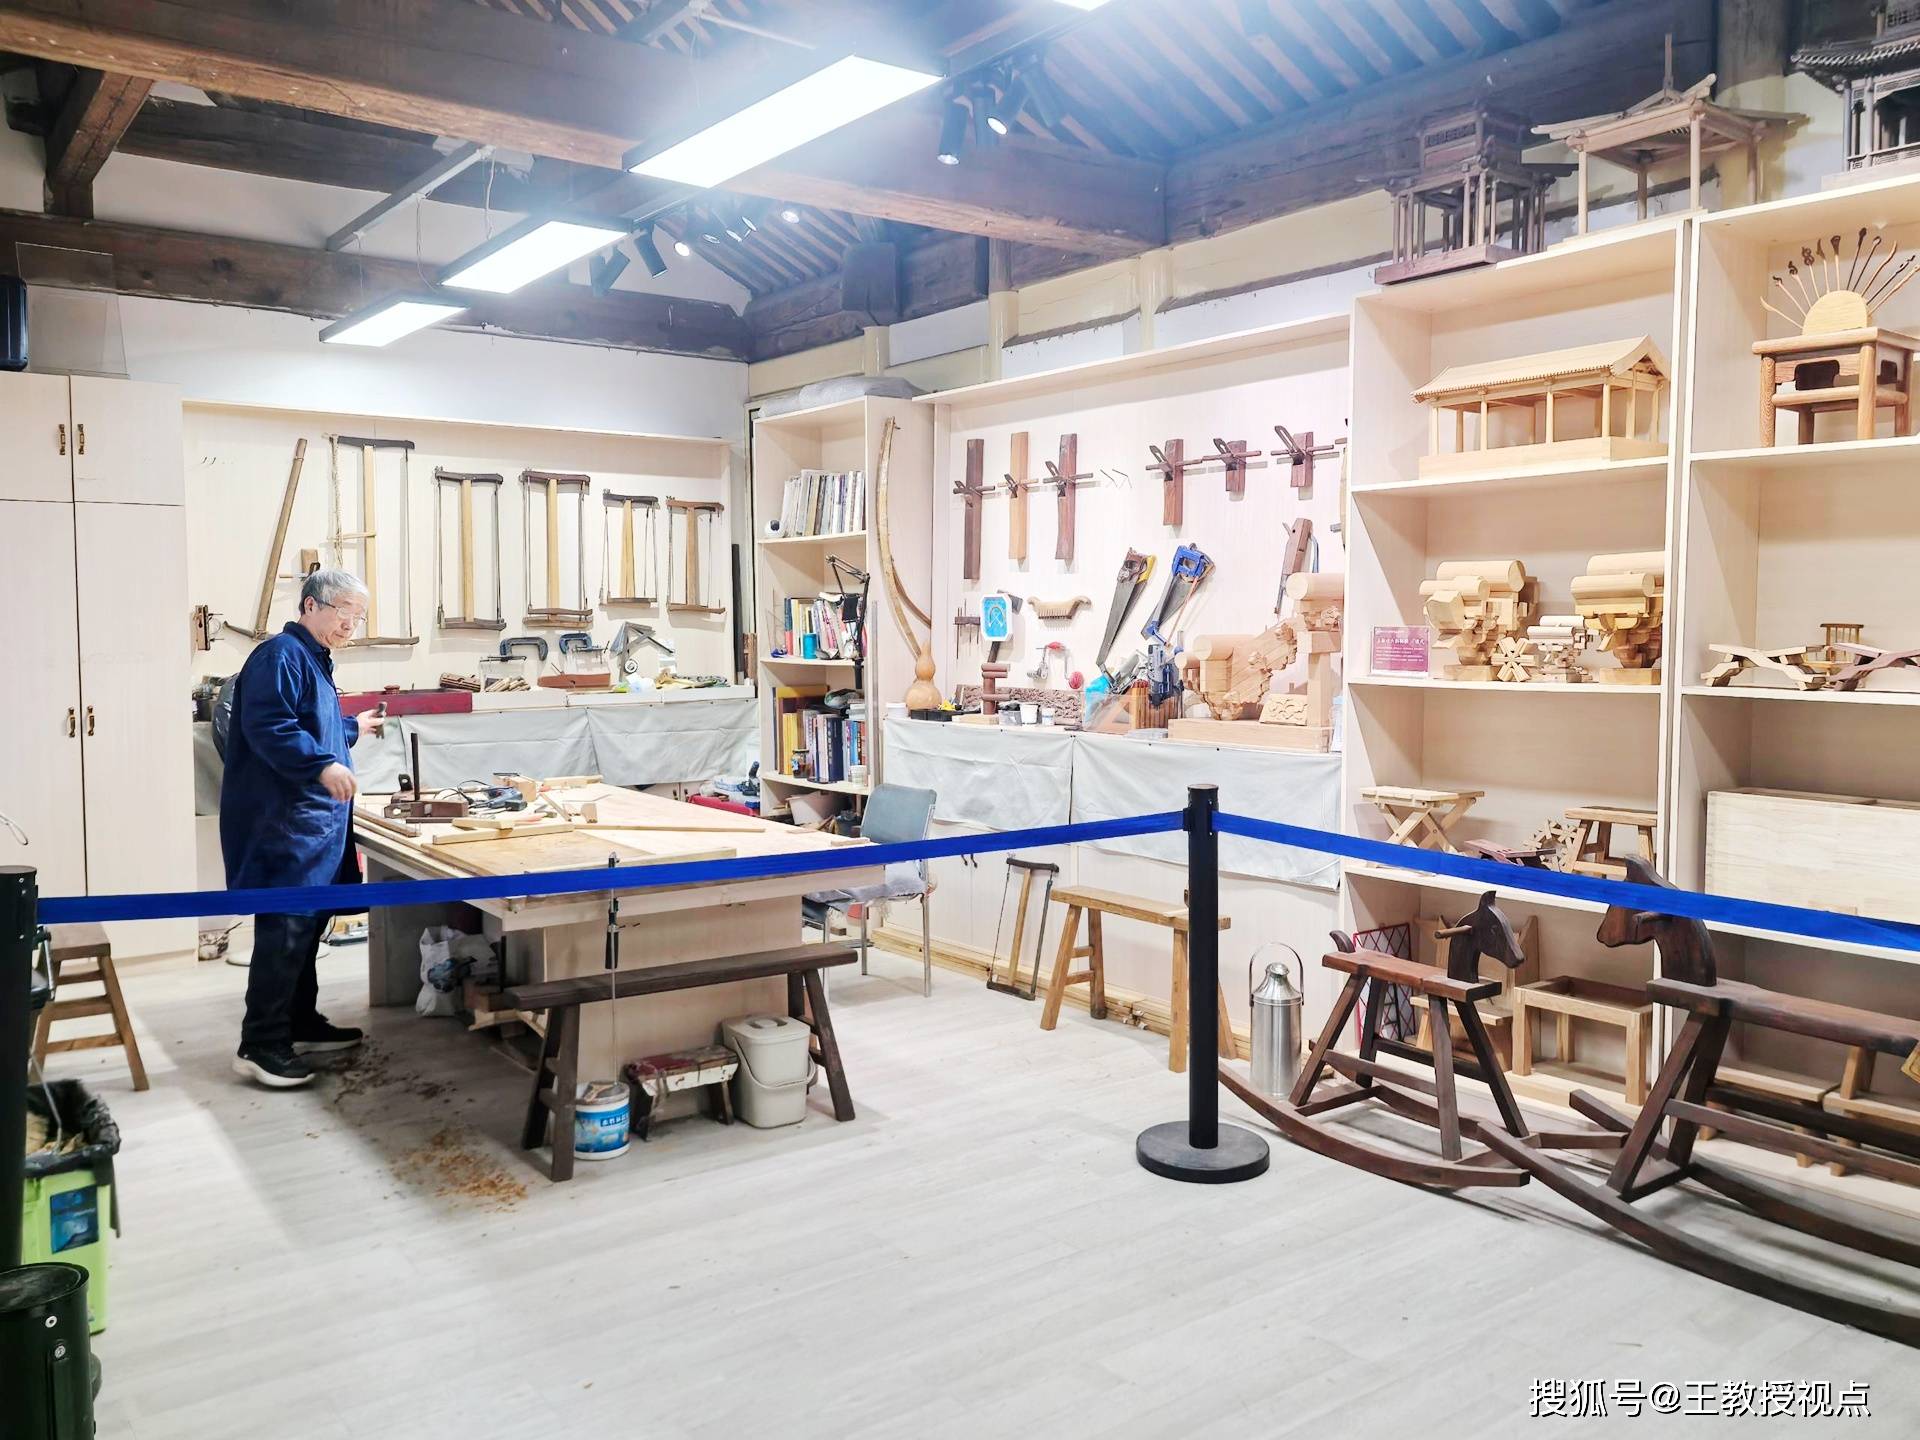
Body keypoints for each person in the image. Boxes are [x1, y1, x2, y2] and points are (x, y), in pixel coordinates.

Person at [220, 568, 383, 1088]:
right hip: (286, 825)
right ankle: (261, 1044)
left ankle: (299, 1021)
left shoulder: (312, 659)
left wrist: (354, 727)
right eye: (344, 612)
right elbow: (270, 726)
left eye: (358, 617)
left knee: (308, 929)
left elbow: (314, 724)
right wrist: (321, 765)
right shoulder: (280, 656)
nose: (350, 625)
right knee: (285, 931)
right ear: (311, 605)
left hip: (313, 826)